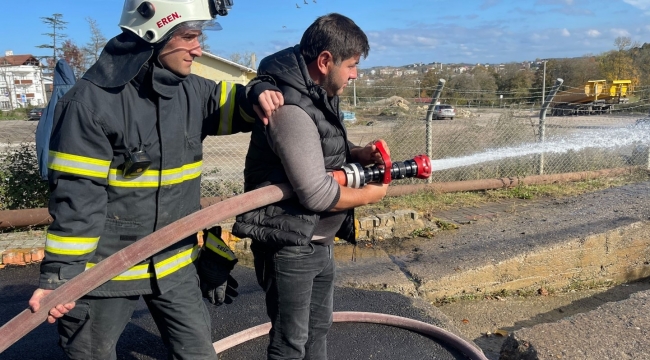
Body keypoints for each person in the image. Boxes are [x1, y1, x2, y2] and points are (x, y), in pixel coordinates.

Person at [27, 0, 283, 359]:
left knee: (198, 353)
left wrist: (258, 90)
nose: (198, 48)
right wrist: (60, 280)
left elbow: (237, 104)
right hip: (106, 269)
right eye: (190, 36)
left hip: (173, 262)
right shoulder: (91, 103)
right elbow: (77, 200)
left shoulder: (192, 90)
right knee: (90, 354)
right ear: (155, 34)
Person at [232, 13, 389, 360]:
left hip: (317, 241)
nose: (355, 75)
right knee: (291, 342)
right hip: (291, 246)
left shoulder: (316, 92)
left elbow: (317, 152)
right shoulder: (290, 108)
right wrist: (370, 195)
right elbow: (316, 193)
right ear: (324, 61)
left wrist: (357, 153)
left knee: (318, 330)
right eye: (352, 65)